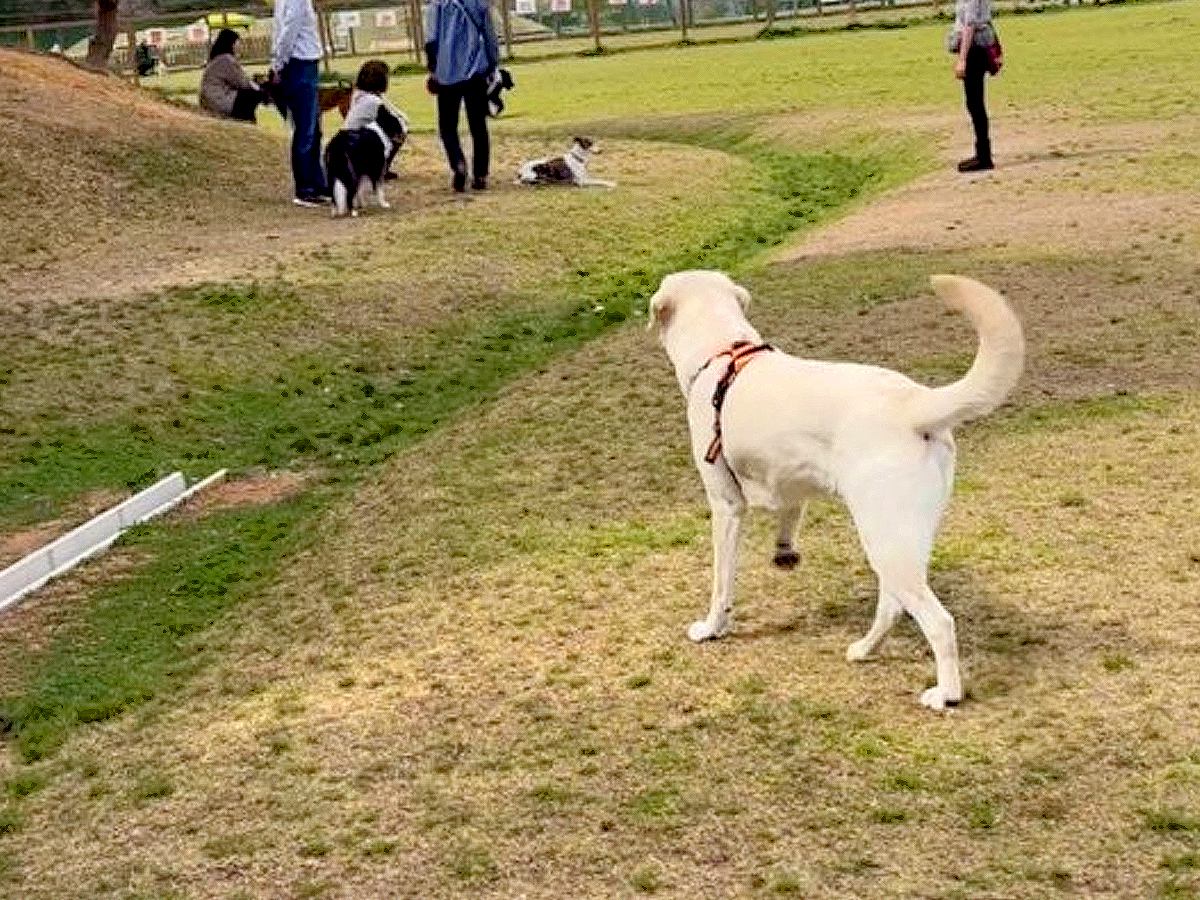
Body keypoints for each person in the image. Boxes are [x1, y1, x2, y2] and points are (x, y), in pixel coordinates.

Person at [424, 0, 500, 192]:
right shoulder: (479, 3)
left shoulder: (437, 4)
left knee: (447, 126)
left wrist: (433, 68)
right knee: (478, 126)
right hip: (475, 72)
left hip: (446, 73)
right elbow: (490, 37)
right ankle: (480, 174)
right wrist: (493, 63)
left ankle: (458, 164)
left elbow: (431, 39)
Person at [271, 0, 329, 206]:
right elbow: (289, 30)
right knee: (306, 129)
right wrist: (279, 62)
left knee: (313, 128)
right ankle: (305, 187)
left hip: (303, 61)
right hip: (300, 62)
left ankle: (317, 182)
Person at [948, 0, 998, 172]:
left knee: (975, 103)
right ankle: (983, 153)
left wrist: (962, 59)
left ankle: (984, 156)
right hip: (976, 48)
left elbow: (970, 26)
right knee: (974, 103)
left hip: (975, 50)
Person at [344, 59, 408, 180]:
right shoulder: (372, 101)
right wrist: (401, 131)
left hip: (352, 139)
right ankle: (379, 169)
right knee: (395, 131)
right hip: (356, 143)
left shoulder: (361, 94)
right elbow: (393, 125)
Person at [200, 29, 265, 123]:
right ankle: (247, 122)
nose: (239, 46)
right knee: (253, 95)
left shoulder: (218, 59)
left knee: (251, 94)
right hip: (218, 102)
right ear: (231, 43)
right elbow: (242, 83)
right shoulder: (226, 59)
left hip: (211, 101)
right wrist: (259, 87)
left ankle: (249, 121)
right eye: (237, 43)